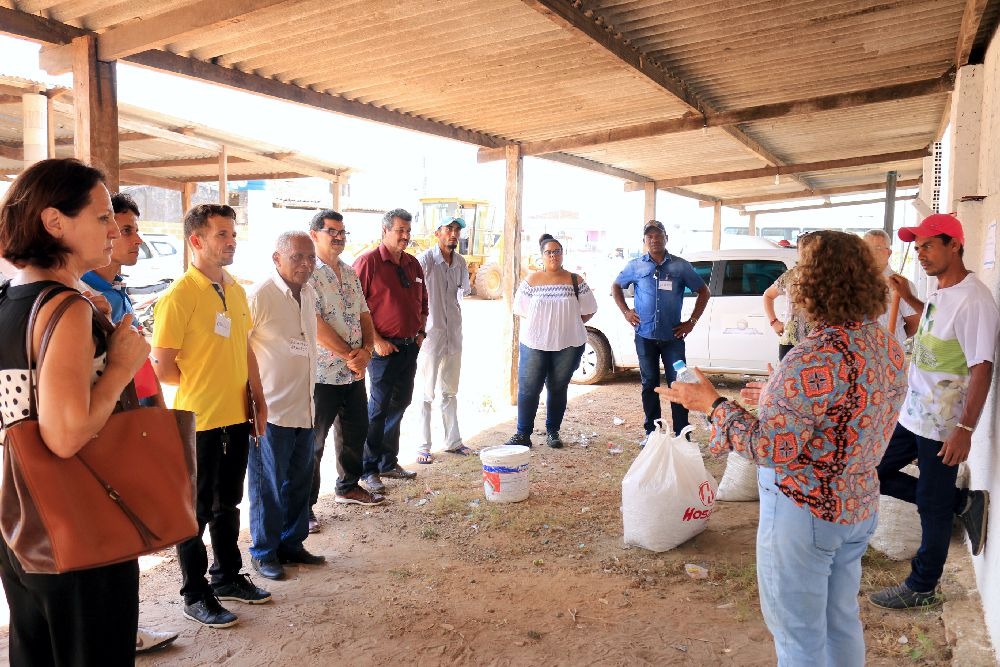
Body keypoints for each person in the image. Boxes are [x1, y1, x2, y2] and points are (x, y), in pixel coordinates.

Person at [660, 230, 907, 666]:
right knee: (840, 621)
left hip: (806, 511)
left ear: (812, 285)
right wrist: (779, 392)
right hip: (857, 505)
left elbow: (771, 449)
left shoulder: (814, 356)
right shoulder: (885, 345)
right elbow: (844, 408)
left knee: (798, 637)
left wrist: (712, 404)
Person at [0, 158, 151, 664]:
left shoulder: (12, 299)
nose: (114, 230)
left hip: (20, 518)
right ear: (54, 222)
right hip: (82, 520)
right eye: (103, 216)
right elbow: (65, 436)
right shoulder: (65, 309)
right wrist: (120, 368)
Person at [869, 214, 999, 610]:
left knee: (931, 504)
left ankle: (923, 586)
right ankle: (960, 503)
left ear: (954, 245)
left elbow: (982, 366)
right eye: (917, 247)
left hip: (944, 423)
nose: (920, 254)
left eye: (928, 245)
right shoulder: (941, 290)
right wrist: (910, 298)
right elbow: (940, 323)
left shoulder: (975, 300)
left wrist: (965, 429)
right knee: (873, 471)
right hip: (914, 414)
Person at [151, 203, 271, 629]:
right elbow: (162, 366)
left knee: (228, 504)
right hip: (198, 422)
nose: (231, 241)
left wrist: (257, 398)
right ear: (196, 241)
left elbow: (244, 347)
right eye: (222, 234)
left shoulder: (235, 290)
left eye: (233, 233)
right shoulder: (179, 295)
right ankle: (194, 593)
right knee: (195, 512)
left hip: (236, 416)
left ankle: (227, 577)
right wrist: (204, 384)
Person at [80, 191, 178, 654]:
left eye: (133, 229)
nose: (135, 239)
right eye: (124, 230)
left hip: (129, 423)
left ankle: (125, 630)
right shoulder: (83, 298)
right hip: (102, 436)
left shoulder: (113, 290)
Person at [247, 231, 326, 581]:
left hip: (304, 407)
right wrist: (251, 398)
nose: (306, 264)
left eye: (310, 257)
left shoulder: (308, 293)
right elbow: (239, 347)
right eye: (297, 257)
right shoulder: (260, 296)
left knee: (298, 483)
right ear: (277, 259)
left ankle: (292, 544)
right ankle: (264, 552)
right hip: (272, 411)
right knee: (267, 486)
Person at [309, 210, 383, 535]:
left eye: (342, 232)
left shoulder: (350, 272)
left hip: (354, 372)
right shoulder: (308, 273)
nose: (338, 237)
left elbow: (365, 314)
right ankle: (304, 507)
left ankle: (348, 486)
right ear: (314, 235)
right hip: (321, 374)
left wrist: (366, 350)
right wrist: (348, 355)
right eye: (332, 232)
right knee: (313, 442)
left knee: (355, 431)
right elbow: (313, 323)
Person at [612, 220, 710, 441]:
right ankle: (652, 433)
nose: (654, 240)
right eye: (650, 236)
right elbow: (616, 286)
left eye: (658, 236)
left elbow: (704, 291)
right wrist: (626, 312)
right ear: (644, 240)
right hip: (644, 337)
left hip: (672, 339)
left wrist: (691, 322)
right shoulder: (635, 266)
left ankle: (682, 435)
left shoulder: (680, 266)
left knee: (679, 385)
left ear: (667, 238)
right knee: (649, 385)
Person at [353, 208, 428, 493]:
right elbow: (356, 307)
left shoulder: (412, 263)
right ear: (384, 230)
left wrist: (420, 332)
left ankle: (387, 462)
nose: (405, 236)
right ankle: (368, 469)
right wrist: (376, 340)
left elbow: (423, 302)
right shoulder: (368, 262)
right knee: (378, 408)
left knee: (401, 402)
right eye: (400, 230)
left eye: (408, 230)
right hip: (383, 350)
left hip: (410, 347)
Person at [505, 234, 598, 449]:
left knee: (557, 387)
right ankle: (523, 434)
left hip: (568, 344)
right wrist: (545, 324)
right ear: (542, 256)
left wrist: (569, 323)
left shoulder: (575, 280)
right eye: (549, 252)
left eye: (557, 251)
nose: (553, 255)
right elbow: (520, 309)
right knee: (528, 389)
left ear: (563, 254)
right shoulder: (531, 280)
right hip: (534, 343)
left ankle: (553, 431)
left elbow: (590, 309)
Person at [415, 216, 473, 464]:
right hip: (431, 336)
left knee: (450, 392)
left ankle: (453, 441)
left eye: (457, 230)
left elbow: (462, 293)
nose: (453, 234)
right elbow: (414, 296)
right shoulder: (425, 261)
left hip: (454, 336)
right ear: (437, 233)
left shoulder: (460, 262)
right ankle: (423, 446)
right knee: (426, 393)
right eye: (448, 229)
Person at [762, 231, 819, 360]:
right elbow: (768, 295)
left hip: (817, 342)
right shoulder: (790, 275)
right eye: (802, 248)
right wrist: (774, 322)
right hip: (790, 342)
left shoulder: (829, 278)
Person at [863, 229, 920, 344]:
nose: (871, 253)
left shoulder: (901, 283)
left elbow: (914, 323)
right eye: (867, 248)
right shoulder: (854, 282)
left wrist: (894, 338)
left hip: (890, 349)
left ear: (889, 252)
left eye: (878, 248)